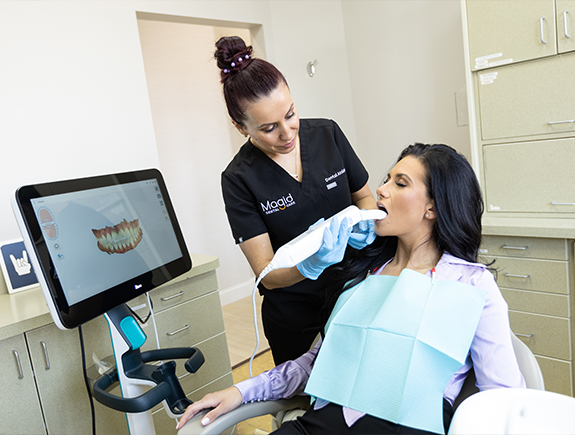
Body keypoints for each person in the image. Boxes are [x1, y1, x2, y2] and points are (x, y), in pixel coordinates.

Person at [176, 143, 526, 434]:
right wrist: (241, 391)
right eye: (386, 178)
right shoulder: (362, 273)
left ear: (432, 207)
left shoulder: (471, 285)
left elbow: (505, 397)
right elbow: (317, 363)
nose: (381, 190)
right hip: (321, 425)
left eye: (400, 183)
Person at [215, 36, 377, 365]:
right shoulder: (238, 179)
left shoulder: (327, 135)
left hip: (354, 291)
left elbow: (364, 196)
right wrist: (310, 265)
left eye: (290, 114)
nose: (287, 134)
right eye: (269, 128)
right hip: (294, 314)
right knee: (300, 401)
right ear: (239, 127)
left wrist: (370, 225)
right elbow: (266, 272)